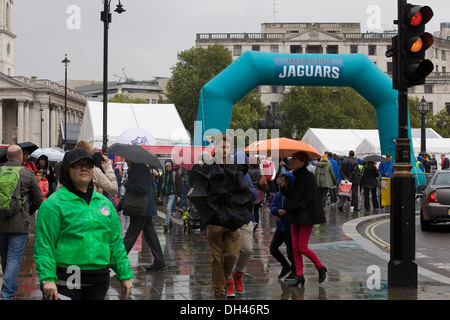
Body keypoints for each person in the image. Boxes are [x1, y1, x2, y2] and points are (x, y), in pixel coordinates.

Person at [34, 148, 133, 300]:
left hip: (98, 280)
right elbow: (44, 244)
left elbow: (115, 242)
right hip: (65, 280)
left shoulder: (104, 203)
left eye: (88, 164)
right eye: (78, 165)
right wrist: (47, 278)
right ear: (68, 169)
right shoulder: (53, 204)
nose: (84, 168)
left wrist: (124, 274)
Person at [188, 133, 252, 298]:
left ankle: (224, 281)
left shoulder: (235, 167)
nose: (225, 150)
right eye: (222, 146)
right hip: (215, 218)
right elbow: (199, 189)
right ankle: (219, 291)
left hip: (233, 217)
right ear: (215, 147)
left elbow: (244, 190)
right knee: (217, 257)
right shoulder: (207, 167)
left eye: (227, 146)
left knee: (232, 254)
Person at [0, 145, 43, 300]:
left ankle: (9, 285)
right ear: (20, 157)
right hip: (19, 224)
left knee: (4, 257)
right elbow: (38, 199)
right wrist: (28, 212)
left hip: (0, 222)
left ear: (6, 157)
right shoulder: (27, 174)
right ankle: (7, 293)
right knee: (13, 258)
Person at [286, 151, 327, 287]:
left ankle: (320, 267)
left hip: (305, 216)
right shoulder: (296, 176)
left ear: (303, 162)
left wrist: (298, 205)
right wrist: (284, 188)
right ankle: (299, 275)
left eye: (295, 159)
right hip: (296, 215)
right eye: (291, 158)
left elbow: (311, 198)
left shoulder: (308, 176)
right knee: (295, 247)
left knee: (302, 247)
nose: (291, 161)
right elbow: (293, 196)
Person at [118, 160, 166, 272]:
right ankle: (159, 261)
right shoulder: (137, 169)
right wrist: (120, 206)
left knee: (131, 234)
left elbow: (142, 189)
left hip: (141, 207)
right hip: (144, 207)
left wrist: (127, 184)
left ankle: (118, 260)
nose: (125, 160)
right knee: (150, 235)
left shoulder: (139, 169)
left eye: (126, 158)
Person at [229, 151, 257, 297]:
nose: (239, 168)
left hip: (245, 217)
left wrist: (245, 188)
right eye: (237, 165)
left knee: (246, 249)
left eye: (242, 165)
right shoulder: (227, 177)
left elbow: (254, 195)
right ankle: (228, 281)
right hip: (229, 219)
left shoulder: (246, 177)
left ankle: (238, 274)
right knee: (229, 253)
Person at [270, 172, 296, 281]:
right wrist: (277, 211)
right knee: (273, 248)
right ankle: (286, 266)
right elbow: (273, 207)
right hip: (280, 227)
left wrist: (286, 214)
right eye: (282, 179)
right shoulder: (279, 194)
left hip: (289, 228)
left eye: (285, 180)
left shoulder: (292, 194)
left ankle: (295, 272)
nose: (282, 182)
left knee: (291, 252)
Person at [157, 159, 181, 232]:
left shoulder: (174, 174)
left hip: (172, 194)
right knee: (165, 210)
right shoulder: (163, 175)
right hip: (164, 194)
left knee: (168, 209)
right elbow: (159, 185)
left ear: (172, 166)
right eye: (167, 166)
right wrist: (158, 195)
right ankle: (170, 221)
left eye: (169, 166)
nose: (168, 168)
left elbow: (178, 185)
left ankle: (166, 224)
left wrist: (179, 195)